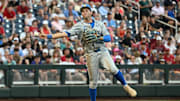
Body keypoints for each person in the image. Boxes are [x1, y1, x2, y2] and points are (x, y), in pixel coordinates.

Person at [40, 4, 137, 101]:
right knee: (93, 81)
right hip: (90, 53)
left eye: (86, 10)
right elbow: (66, 33)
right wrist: (49, 36)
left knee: (113, 68)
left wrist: (99, 37)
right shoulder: (79, 26)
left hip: (102, 50)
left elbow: (108, 38)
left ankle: (126, 86)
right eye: (82, 11)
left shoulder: (99, 24)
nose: (84, 12)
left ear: (91, 12)